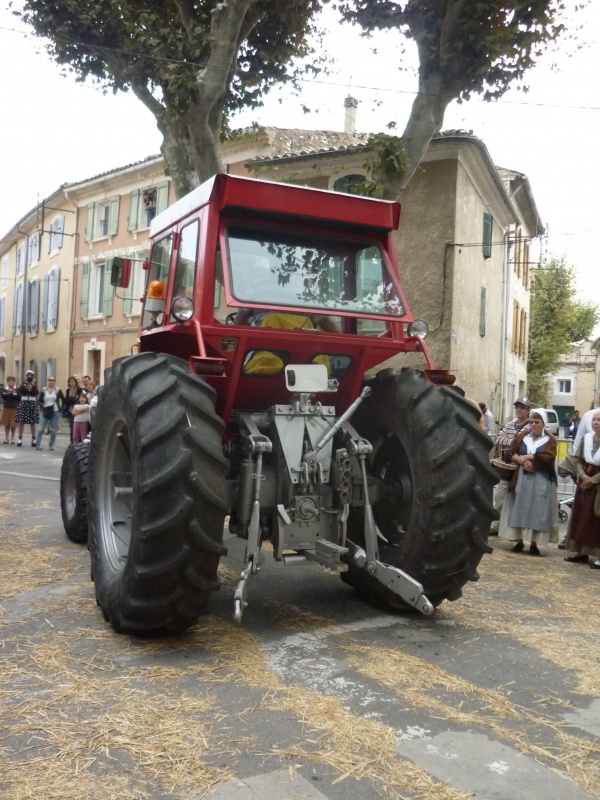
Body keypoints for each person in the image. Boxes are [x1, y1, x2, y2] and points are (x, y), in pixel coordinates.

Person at [501, 410, 558, 555]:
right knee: (518, 507)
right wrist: (520, 460)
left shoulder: (550, 440)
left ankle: (534, 543)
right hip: (521, 477)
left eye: (537, 422)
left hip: (541, 478)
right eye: (531, 422)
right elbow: (509, 452)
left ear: (543, 423)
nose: (533, 425)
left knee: (537, 510)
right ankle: (519, 541)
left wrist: (530, 458)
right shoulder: (523, 436)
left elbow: (549, 457)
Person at [564, 410, 600, 568]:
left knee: (596, 519)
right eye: (594, 419)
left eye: (599, 420)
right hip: (584, 482)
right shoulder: (587, 439)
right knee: (582, 516)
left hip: (597, 484)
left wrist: (594, 480)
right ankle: (581, 551)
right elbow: (578, 460)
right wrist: (583, 476)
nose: (596, 422)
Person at [490, 397, 531, 532]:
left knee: (517, 497)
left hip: (521, 467)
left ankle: (513, 528)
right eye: (517, 407)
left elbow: (525, 443)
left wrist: (511, 441)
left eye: (522, 407)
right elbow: (498, 439)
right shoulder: (509, 424)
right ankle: (496, 525)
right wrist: (514, 442)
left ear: (527, 410)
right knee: (500, 496)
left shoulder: (530, 426)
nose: (519, 409)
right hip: (506, 466)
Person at [35, 377, 65, 451]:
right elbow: (39, 401)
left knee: (53, 429)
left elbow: (63, 399)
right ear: (47, 381)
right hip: (45, 411)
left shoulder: (58, 390)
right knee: (41, 428)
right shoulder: (44, 390)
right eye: (50, 380)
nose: (51, 382)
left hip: (55, 411)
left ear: (55, 382)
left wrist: (61, 409)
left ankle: (51, 444)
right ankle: (37, 444)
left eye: (53, 380)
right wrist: (43, 406)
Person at [15, 370, 39, 447]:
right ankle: (20, 438)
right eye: (28, 376)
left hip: (32, 403)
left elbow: (36, 393)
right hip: (24, 402)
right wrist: (24, 383)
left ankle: (34, 439)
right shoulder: (22, 385)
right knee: (21, 421)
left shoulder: (34, 385)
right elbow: (19, 392)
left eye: (31, 376)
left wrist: (33, 385)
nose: (30, 378)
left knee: (33, 422)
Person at [63, 376, 84, 443]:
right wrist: (73, 399)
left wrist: (73, 399)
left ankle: (79, 442)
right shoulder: (68, 390)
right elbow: (66, 400)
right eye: (70, 382)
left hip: (78, 410)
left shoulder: (79, 389)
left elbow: (79, 399)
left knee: (78, 427)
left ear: (76, 382)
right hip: (70, 410)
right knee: (72, 427)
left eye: (73, 381)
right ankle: (72, 442)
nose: (72, 383)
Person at [2, 376, 20, 444]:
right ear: (8, 382)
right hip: (6, 408)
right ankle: (6, 438)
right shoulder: (5, 389)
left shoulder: (17, 390)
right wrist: (12, 395)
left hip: (14, 408)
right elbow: (3, 396)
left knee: (13, 424)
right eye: (10, 381)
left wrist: (9, 395)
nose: (11, 382)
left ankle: (12, 438)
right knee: (7, 424)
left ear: (14, 382)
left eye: (12, 381)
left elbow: (18, 397)